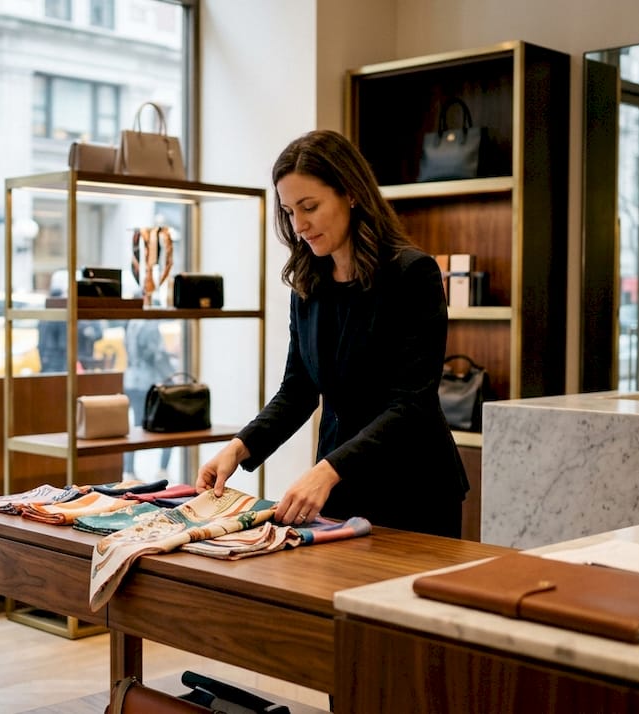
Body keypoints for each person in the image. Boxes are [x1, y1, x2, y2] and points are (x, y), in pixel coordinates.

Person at [196, 130, 468, 537]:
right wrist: (239, 448)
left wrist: (327, 471)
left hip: (413, 489)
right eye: (289, 211)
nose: (299, 224)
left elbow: (410, 403)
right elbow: (298, 390)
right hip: (339, 488)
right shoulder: (308, 283)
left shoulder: (412, 274)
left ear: (351, 194)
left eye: (310, 207)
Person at [123, 319, 175, 479]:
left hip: (131, 379)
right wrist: (171, 377)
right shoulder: (150, 325)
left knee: (137, 426)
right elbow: (156, 355)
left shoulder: (131, 323)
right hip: (149, 382)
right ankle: (163, 469)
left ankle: (129, 470)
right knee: (169, 424)